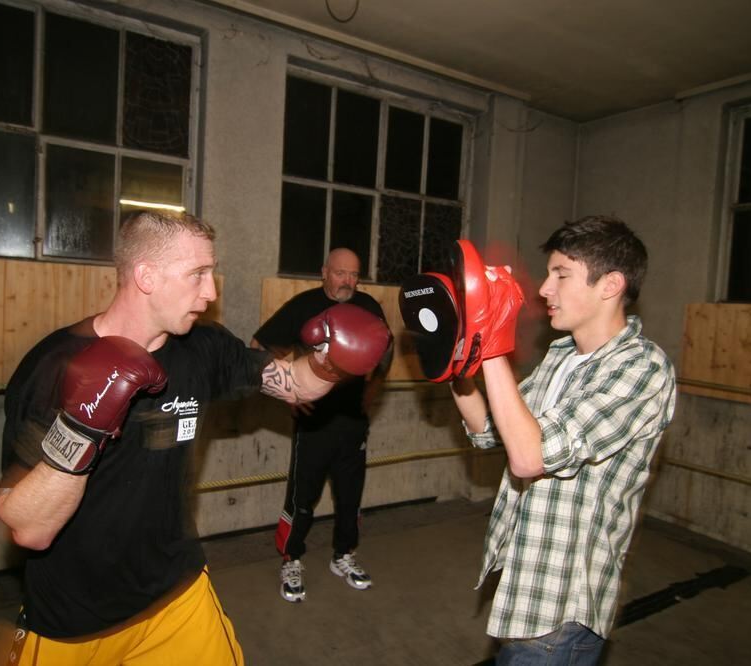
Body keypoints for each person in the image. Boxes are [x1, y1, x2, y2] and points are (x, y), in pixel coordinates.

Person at [0, 212, 390, 665]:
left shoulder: (202, 349)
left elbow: (296, 385)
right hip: (72, 620)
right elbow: (29, 528)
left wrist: (331, 362)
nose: (211, 292)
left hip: (176, 593)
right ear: (146, 276)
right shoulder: (52, 368)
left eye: (211, 273)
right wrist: (82, 425)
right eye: (198, 275)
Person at [449, 216, 676, 664]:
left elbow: (530, 458)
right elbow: (492, 432)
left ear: (610, 285)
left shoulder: (643, 368)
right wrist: (455, 357)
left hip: (561, 611)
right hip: (522, 590)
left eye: (561, 275)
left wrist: (491, 341)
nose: (544, 290)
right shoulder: (560, 356)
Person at [251, 248, 393, 603]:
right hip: (313, 423)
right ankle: (292, 557)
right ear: (324, 272)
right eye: (340, 273)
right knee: (303, 496)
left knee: (350, 494)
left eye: (354, 274)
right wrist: (287, 392)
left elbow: (387, 348)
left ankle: (343, 555)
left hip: (354, 421)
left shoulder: (369, 308)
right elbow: (258, 346)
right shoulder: (303, 307)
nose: (348, 281)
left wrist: (374, 389)